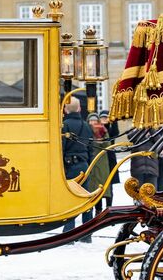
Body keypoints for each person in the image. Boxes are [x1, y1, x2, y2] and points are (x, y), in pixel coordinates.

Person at [61, 97, 94, 240]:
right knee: (85, 197)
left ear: (65, 109)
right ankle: (87, 233)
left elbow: (61, 148)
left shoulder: (64, 125)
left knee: (70, 197)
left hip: (70, 166)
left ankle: (69, 231)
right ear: (80, 109)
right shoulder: (86, 125)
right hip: (84, 165)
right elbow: (91, 148)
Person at [87, 113, 111, 215]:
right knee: (93, 188)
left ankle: (104, 210)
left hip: (102, 162)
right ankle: (96, 210)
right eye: (91, 121)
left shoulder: (103, 130)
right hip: (91, 162)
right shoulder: (87, 131)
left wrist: (102, 140)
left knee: (103, 187)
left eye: (94, 121)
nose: (93, 123)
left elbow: (108, 145)